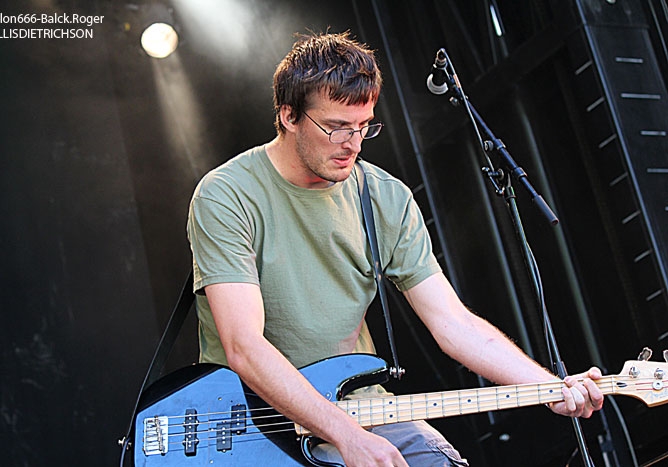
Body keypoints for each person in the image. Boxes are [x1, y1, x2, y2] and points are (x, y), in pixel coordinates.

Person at [187, 31, 604, 467]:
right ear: (289, 115)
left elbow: (454, 323)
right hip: (250, 421)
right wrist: (347, 436)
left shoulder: (386, 198)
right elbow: (244, 346)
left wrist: (550, 387)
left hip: (359, 406)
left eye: (364, 126)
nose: (353, 144)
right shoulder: (227, 195)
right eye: (337, 127)